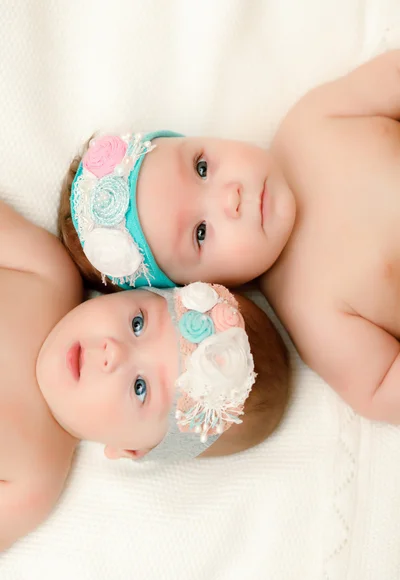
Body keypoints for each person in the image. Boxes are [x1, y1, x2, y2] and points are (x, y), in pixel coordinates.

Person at [59, 49, 400, 424]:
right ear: (203, 287)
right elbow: (383, 386)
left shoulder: (313, 121)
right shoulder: (313, 317)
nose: (230, 196)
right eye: (201, 233)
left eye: (202, 167)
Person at [0, 200, 289, 552]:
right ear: (130, 291)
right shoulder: (46, 271)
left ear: (130, 448)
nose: (114, 351)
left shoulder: (32, 485)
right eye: (137, 323)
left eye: (140, 388)